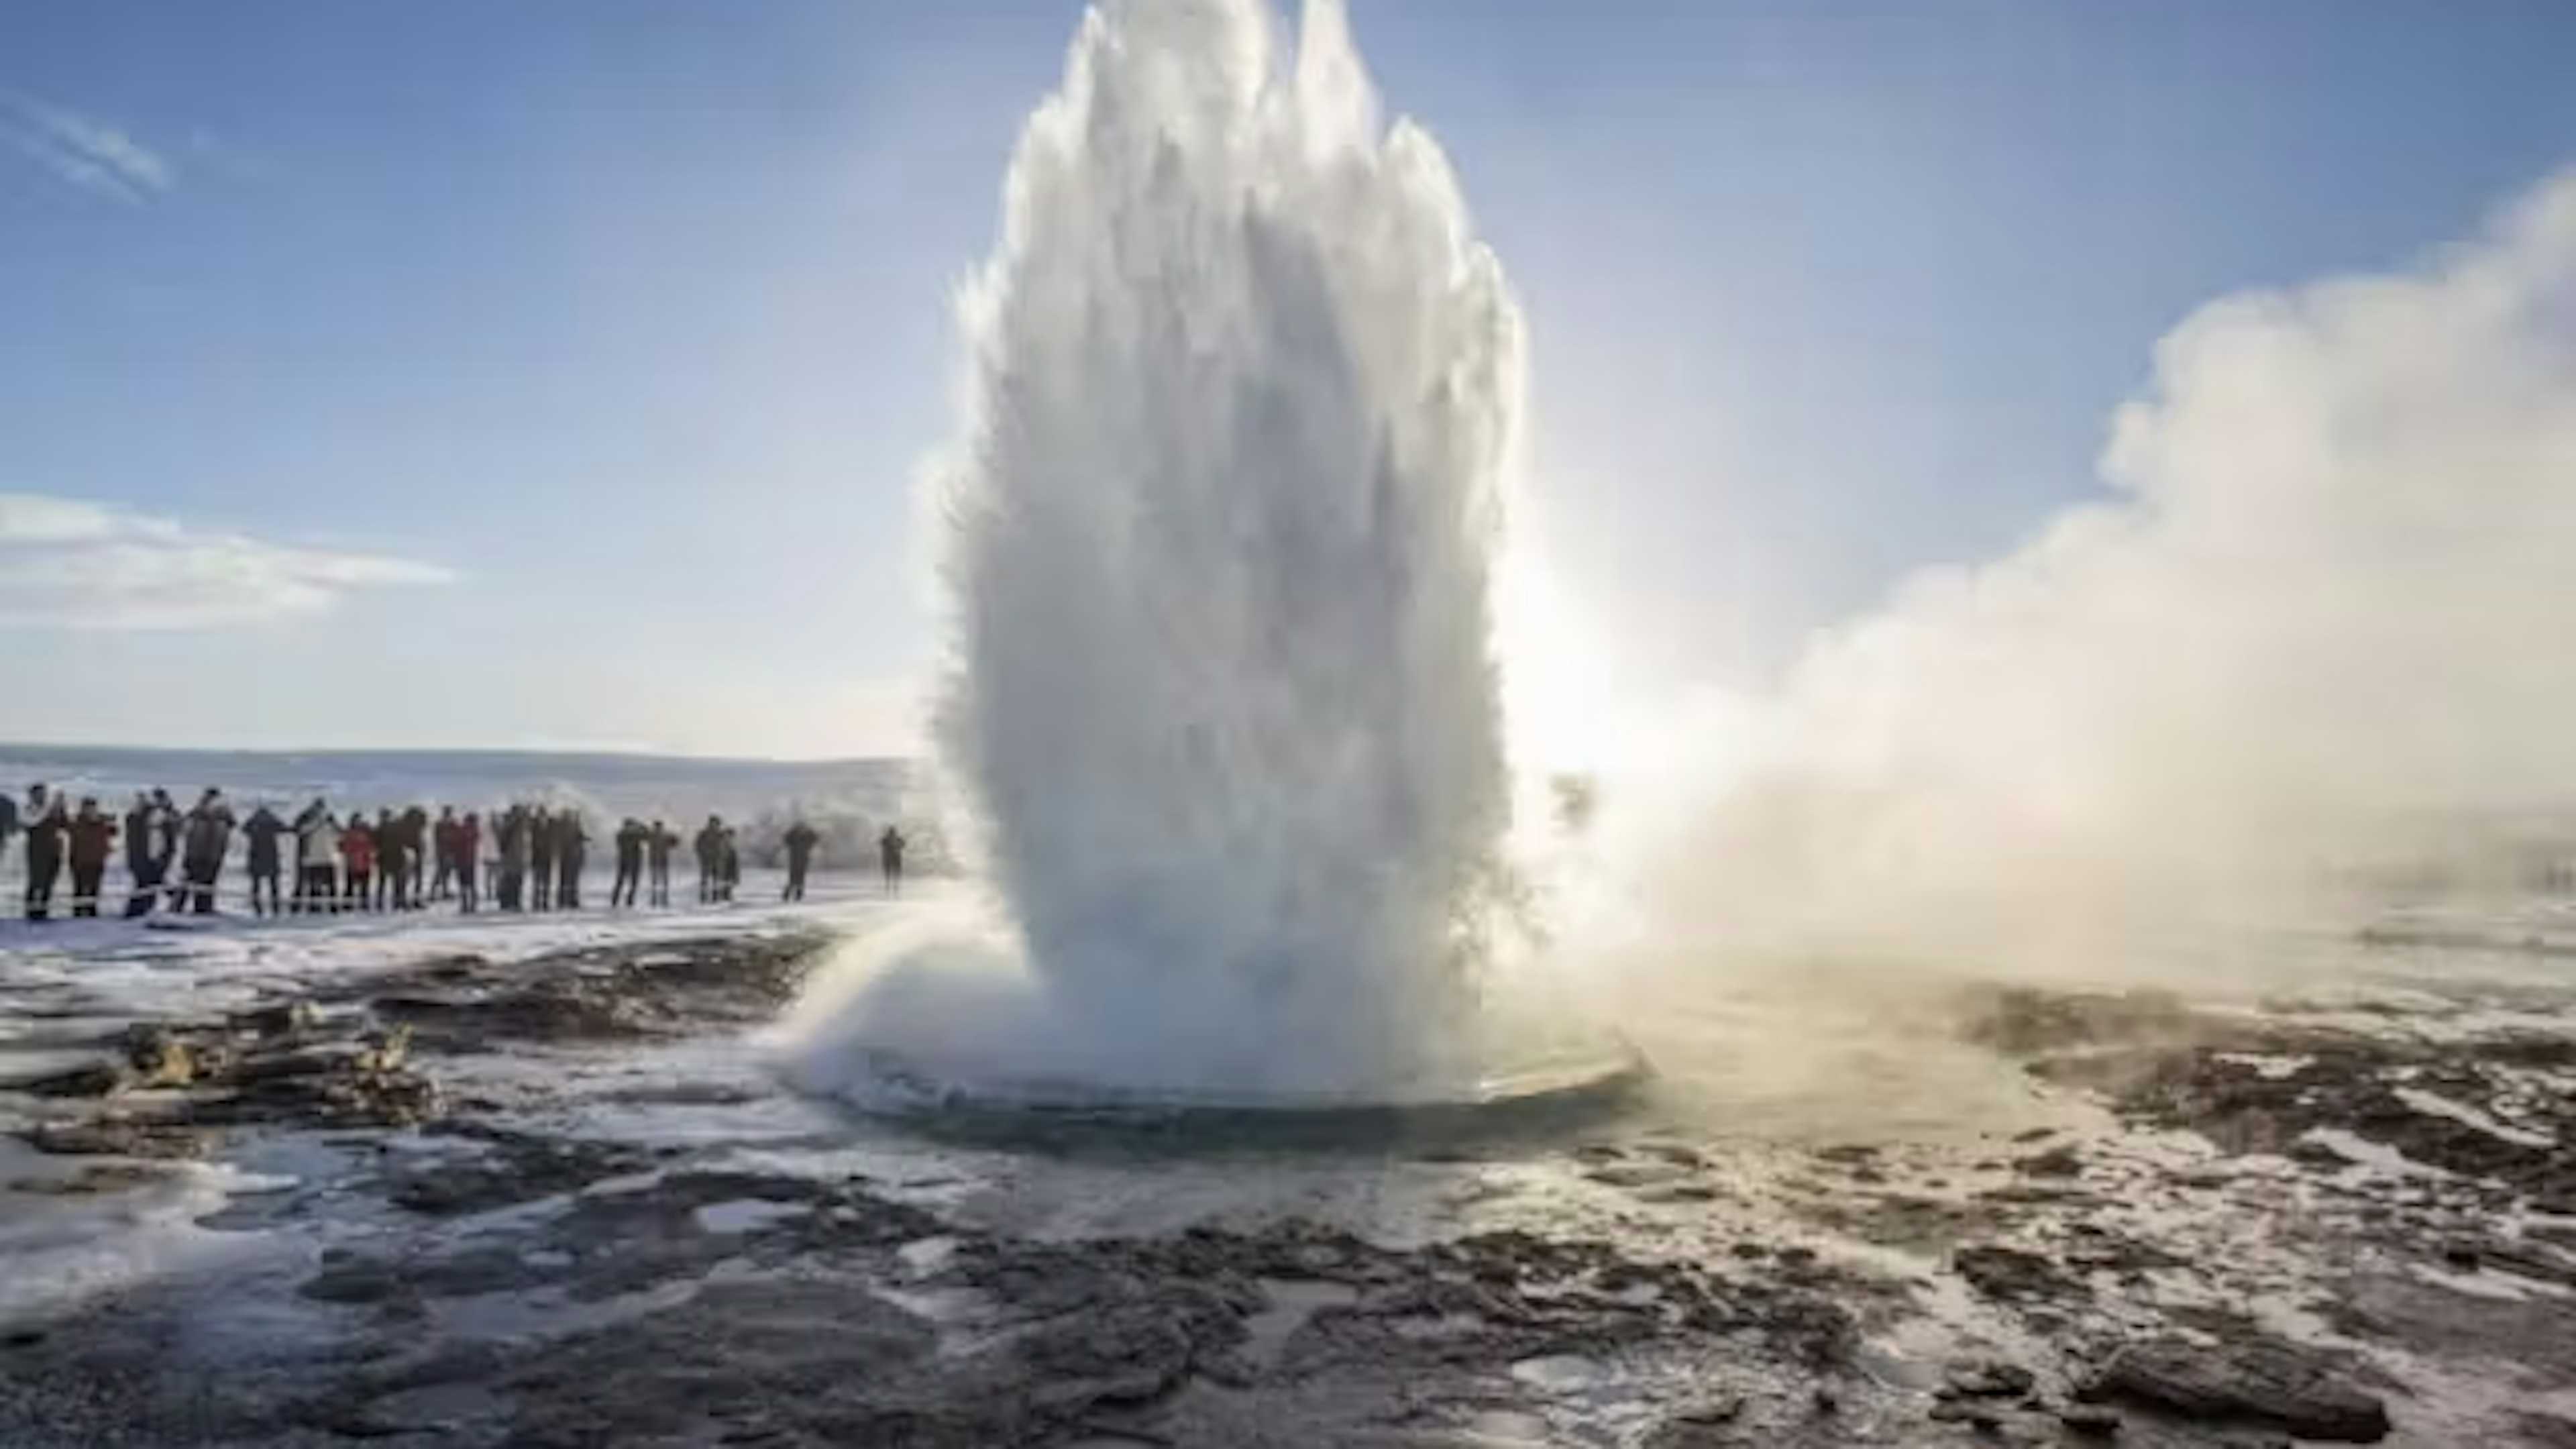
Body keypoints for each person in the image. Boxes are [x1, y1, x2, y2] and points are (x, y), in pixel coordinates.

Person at [180, 788, 235, 914]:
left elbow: (231, 825)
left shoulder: (222, 815)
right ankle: (178, 908)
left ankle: (204, 909)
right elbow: (186, 829)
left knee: (208, 884)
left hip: (212, 855)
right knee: (188, 883)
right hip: (196, 854)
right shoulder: (197, 813)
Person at [67, 797, 117, 917]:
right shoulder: (77, 822)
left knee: (94, 890)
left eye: (92, 808)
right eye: (88, 808)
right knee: (79, 890)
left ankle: (92, 913)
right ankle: (77, 913)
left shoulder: (102, 823)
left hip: (97, 861)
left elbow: (114, 832)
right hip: (80, 862)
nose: (90, 810)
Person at [24, 786, 66, 921]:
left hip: (53, 851)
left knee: (49, 882)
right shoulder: (29, 809)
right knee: (36, 882)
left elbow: (63, 824)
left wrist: (61, 807)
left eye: (44, 794)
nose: (42, 796)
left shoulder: (51, 809)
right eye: (39, 794)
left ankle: (44, 911)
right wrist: (52, 809)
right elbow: (33, 822)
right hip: (37, 852)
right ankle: (31, 912)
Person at [242, 802, 289, 916]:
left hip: (257, 856)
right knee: (273, 885)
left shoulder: (254, 824)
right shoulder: (271, 824)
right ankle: (275, 908)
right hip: (270, 856)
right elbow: (284, 827)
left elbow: (244, 829)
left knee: (257, 885)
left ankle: (258, 907)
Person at [121, 792, 162, 917]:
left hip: (151, 857)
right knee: (142, 885)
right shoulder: (135, 819)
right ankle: (134, 911)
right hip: (139, 858)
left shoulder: (152, 817)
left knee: (150, 885)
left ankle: (144, 910)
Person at [495, 805, 528, 912]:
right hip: (511, 858)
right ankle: (508, 902)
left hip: (517, 857)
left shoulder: (517, 824)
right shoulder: (510, 825)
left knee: (516, 881)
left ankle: (513, 902)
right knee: (511, 881)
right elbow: (502, 839)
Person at [343, 812, 376, 912]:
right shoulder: (349, 833)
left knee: (364, 887)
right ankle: (348, 906)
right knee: (350, 887)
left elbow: (371, 846)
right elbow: (346, 847)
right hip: (353, 863)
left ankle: (364, 905)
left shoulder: (367, 831)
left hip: (364, 863)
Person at [610, 818, 646, 908]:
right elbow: (646, 835)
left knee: (620, 881)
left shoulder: (620, 834)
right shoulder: (636, 835)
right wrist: (641, 826)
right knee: (633, 882)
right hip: (634, 860)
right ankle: (629, 900)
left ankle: (615, 900)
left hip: (623, 860)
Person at [782, 819, 819, 902]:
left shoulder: (806, 836)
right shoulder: (793, 836)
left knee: (801, 878)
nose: (801, 830)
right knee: (793, 878)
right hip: (795, 859)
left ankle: (798, 895)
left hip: (803, 859)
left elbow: (815, 838)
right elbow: (786, 840)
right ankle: (787, 894)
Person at [557, 810, 587, 910]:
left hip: (574, 858)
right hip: (568, 858)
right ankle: (564, 900)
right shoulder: (564, 828)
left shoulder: (573, 829)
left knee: (572, 881)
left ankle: (570, 899)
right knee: (566, 881)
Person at [528, 806, 555, 912]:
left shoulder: (550, 826)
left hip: (547, 858)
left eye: (544, 815)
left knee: (547, 882)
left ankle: (545, 902)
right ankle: (535, 902)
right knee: (537, 882)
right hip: (537, 858)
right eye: (541, 815)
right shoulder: (534, 826)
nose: (542, 817)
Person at [431, 806, 460, 902]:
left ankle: (443, 891)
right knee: (441, 873)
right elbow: (438, 839)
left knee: (445, 873)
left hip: (447, 852)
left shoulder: (450, 824)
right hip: (444, 852)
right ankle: (434, 892)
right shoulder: (441, 824)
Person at [455, 810, 482, 913]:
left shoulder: (461, 830)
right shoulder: (473, 831)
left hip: (462, 860)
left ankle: (466, 904)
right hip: (469, 860)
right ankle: (471, 904)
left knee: (464, 885)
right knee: (470, 884)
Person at [646, 819, 676, 908]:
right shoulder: (652, 836)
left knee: (663, 881)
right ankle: (656, 899)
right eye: (657, 827)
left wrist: (673, 838)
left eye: (659, 827)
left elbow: (674, 843)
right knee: (656, 881)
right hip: (656, 861)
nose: (658, 829)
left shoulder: (662, 836)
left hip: (662, 860)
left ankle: (663, 898)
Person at [694, 816, 724, 904]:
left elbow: (723, 847)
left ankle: (715, 897)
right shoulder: (703, 834)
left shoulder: (720, 834)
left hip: (717, 860)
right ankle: (703, 897)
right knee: (705, 880)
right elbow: (698, 846)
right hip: (706, 860)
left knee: (716, 880)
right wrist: (703, 855)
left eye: (716, 823)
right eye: (713, 823)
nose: (715, 825)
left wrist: (722, 856)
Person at [878, 824, 906, 897]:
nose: (892, 834)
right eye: (892, 832)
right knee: (889, 874)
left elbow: (903, 844)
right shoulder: (887, 839)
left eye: (892, 832)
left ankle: (894, 886)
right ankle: (890, 886)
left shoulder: (896, 839)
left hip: (894, 858)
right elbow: (881, 843)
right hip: (890, 859)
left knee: (895, 873)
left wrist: (897, 846)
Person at [718, 826, 741, 904]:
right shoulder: (721, 844)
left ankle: (727, 894)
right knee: (723, 880)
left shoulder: (731, 846)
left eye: (731, 836)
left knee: (729, 880)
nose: (730, 838)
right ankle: (722, 895)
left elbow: (734, 859)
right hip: (722, 865)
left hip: (730, 865)